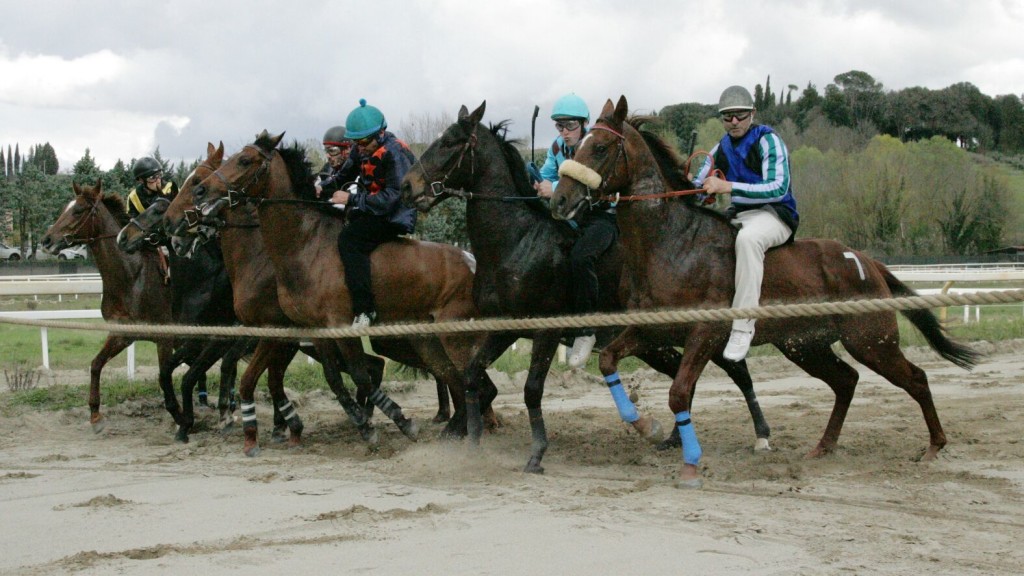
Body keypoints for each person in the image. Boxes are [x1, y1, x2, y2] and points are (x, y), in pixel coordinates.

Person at [693, 85, 799, 362]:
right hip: (739, 214)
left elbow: (778, 187)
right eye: (727, 117)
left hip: (775, 215)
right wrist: (701, 193)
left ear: (752, 113)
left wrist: (726, 186)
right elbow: (698, 184)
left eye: (739, 115)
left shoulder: (768, 140)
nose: (734, 122)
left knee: (748, 240)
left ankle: (742, 326)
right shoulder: (721, 147)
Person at [534, 93, 617, 369]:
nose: (565, 132)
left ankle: (586, 331)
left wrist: (555, 189)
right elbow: (546, 175)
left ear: (584, 124)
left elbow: (594, 186)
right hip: (572, 218)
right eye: (559, 126)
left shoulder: (593, 146)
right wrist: (540, 185)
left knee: (581, 257)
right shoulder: (557, 147)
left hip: (602, 216)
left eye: (570, 126)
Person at [331, 99, 418, 328]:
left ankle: (365, 310)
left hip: (395, 215)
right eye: (355, 142)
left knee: (349, 239)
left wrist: (351, 199)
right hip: (373, 210)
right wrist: (323, 187)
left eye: (364, 142)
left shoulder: (394, 152)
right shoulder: (362, 148)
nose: (360, 147)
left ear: (380, 133)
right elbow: (343, 175)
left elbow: (392, 198)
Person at [314, 125, 357, 199]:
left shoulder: (359, 169)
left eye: (332, 151)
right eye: (326, 151)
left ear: (347, 149)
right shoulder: (326, 169)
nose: (328, 156)